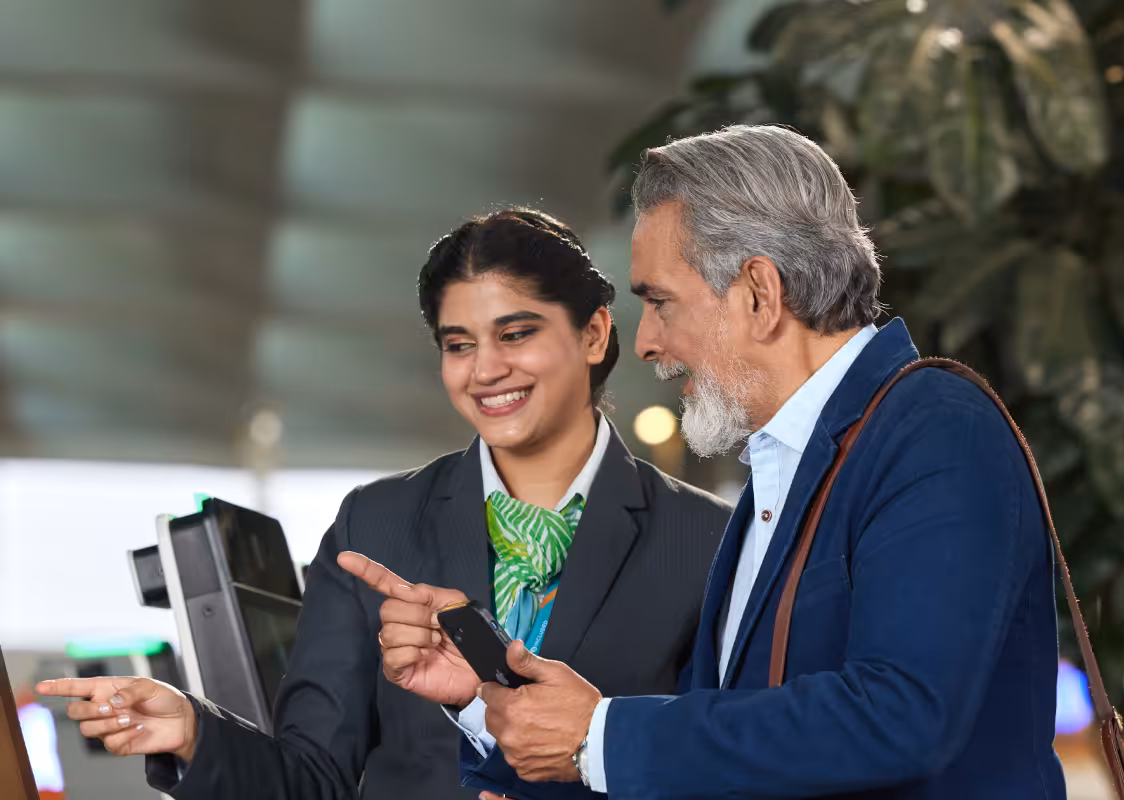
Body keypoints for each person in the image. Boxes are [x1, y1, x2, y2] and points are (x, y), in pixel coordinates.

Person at [375, 126, 1068, 799]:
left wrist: (601, 734)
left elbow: (902, 715)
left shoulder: (936, 427)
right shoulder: (780, 472)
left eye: (660, 303)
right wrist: (492, 703)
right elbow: (720, 764)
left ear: (758, 294)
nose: (645, 343)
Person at [37, 208, 731, 800]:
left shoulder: (706, 541)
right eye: (458, 345)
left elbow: (723, 767)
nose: (485, 369)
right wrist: (193, 733)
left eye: (516, 334)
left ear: (594, 334)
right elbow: (313, 777)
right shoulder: (377, 524)